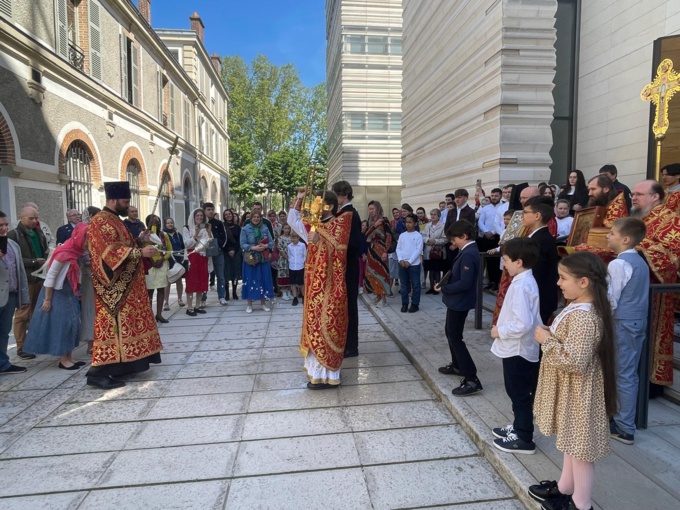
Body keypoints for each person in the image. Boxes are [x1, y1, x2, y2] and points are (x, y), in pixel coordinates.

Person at [529, 252, 616, 510]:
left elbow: (574, 361)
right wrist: (551, 335)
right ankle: (566, 488)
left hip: (578, 391)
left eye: (563, 278)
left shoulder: (583, 317)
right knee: (571, 441)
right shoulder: (578, 307)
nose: (558, 282)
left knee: (580, 450)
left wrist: (547, 341)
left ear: (584, 282)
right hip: (571, 389)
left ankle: (581, 504)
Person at [85, 181, 162, 390]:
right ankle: (97, 373)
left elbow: (122, 247)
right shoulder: (100, 222)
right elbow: (107, 254)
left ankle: (124, 366)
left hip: (127, 287)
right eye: (125, 202)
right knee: (111, 330)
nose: (128, 206)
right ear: (113, 200)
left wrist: (138, 240)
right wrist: (140, 252)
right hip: (112, 289)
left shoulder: (116, 220)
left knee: (125, 328)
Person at [288, 189, 352, 389]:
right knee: (314, 328)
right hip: (314, 289)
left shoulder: (341, 223)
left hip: (331, 288)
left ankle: (330, 376)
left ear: (329, 206)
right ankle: (317, 374)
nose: (312, 206)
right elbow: (293, 220)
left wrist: (321, 238)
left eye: (316, 203)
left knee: (328, 328)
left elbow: (340, 251)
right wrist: (298, 198)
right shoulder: (313, 226)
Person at [490, 237, 542, 455]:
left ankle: (523, 436)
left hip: (517, 348)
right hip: (519, 347)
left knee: (518, 391)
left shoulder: (521, 285)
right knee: (517, 391)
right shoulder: (524, 280)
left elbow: (523, 323)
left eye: (506, 260)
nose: (504, 265)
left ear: (518, 262)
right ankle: (519, 424)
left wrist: (499, 331)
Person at [629, 180, 680, 389]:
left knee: (653, 336)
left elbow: (673, 255)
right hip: (634, 291)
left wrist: (639, 248)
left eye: (639, 194)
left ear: (655, 197)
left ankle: (652, 384)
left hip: (656, 293)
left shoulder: (671, 220)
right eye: (632, 193)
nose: (633, 197)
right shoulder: (639, 219)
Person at [605, 217, 648, 445]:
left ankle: (624, 427)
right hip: (636, 320)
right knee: (627, 372)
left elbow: (612, 298)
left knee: (624, 374)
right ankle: (621, 419)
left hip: (623, 322)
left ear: (626, 239)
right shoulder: (639, 260)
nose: (608, 236)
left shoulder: (618, 264)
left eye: (612, 233)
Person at [23, 222, 89, 369]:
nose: (88, 243)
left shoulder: (76, 251)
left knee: (72, 325)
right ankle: (63, 360)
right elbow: (51, 277)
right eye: (86, 239)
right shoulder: (64, 253)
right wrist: (47, 299)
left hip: (69, 292)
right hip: (57, 293)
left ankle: (69, 357)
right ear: (79, 238)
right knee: (63, 326)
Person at [435, 220, 483, 396]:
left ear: (464, 236)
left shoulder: (469, 254)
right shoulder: (466, 251)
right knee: (450, 332)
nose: (452, 243)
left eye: (454, 239)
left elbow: (465, 282)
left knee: (455, 337)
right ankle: (457, 365)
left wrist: (445, 288)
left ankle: (471, 378)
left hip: (460, 301)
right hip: (455, 301)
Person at [8, 205, 48, 359]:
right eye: (31, 218)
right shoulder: (13, 235)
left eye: (36, 218)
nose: (34, 221)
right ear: (21, 217)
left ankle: (34, 342)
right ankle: (21, 347)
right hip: (25, 279)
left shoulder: (39, 233)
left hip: (39, 278)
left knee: (36, 312)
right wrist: (33, 261)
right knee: (22, 314)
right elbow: (12, 259)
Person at [332, 180, 362, 358]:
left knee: (350, 305)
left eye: (336, 196)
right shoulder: (344, 212)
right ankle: (346, 342)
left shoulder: (350, 214)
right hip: (344, 265)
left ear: (343, 195)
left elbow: (354, 243)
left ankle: (351, 346)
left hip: (348, 265)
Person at [522, 197, 559, 324]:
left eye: (526, 212)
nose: (522, 215)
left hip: (539, 299)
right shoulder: (536, 237)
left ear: (537, 215)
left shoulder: (540, 240)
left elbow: (536, 273)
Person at [0, 210, 29, 374]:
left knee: (4, 332)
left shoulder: (12, 245)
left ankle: (3, 364)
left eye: (5, 225)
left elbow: (20, 272)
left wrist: (23, 296)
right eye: (0, 225)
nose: (4, 229)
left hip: (10, 295)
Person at [240, 210, 274, 313]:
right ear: (251, 218)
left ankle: (263, 303)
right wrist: (253, 247)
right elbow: (242, 244)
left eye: (258, 217)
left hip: (263, 258)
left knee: (263, 280)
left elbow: (272, 242)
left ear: (260, 218)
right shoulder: (245, 229)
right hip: (251, 258)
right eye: (254, 217)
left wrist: (266, 246)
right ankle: (249, 305)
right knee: (250, 280)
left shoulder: (265, 228)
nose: (256, 219)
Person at [80, 206, 101, 355]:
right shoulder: (84, 232)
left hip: (102, 275)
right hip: (89, 275)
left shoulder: (99, 231)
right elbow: (82, 253)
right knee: (89, 308)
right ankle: (90, 343)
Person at [363, 200, 392, 307]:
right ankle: (377, 295)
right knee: (372, 273)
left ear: (378, 208)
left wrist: (386, 251)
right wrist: (374, 226)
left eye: (373, 209)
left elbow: (388, 236)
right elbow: (365, 234)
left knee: (382, 273)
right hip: (371, 250)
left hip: (381, 250)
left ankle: (384, 298)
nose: (371, 211)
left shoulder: (384, 220)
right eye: (369, 209)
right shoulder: (371, 222)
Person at [182, 208, 211, 316]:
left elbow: (207, 244)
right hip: (191, 257)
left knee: (201, 281)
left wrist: (208, 233)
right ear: (193, 217)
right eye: (197, 216)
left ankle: (197, 306)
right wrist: (195, 236)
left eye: (201, 216)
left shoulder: (205, 229)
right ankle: (189, 307)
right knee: (191, 282)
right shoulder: (187, 228)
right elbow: (187, 244)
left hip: (202, 257)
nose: (199, 217)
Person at [144, 214, 172, 323]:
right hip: (150, 265)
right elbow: (143, 249)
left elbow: (169, 250)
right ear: (148, 224)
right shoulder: (145, 235)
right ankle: (149, 316)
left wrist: (162, 259)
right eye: (153, 222)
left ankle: (159, 314)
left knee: (161, 289)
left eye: (158, 222)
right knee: (149, 291)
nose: (156, 224)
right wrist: (151, 261)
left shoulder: (163, 235)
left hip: (162, 264)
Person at [397, 213, 423, 313]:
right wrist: (400, 260)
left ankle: (415, 304)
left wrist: (410, 261)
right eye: (406, 222)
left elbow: (418, 250)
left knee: (416, 285)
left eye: (410, 222)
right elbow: (398, 248)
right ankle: (404, 303)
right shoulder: (402, 235)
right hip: (402, 263)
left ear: (415, 223)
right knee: (403, 285)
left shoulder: (418, 236)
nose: (408, 224)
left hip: (414, 264)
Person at [477, 187, 503, 292]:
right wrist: (486, 232)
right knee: (487, 260)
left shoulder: (502, 208)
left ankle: (497, 282)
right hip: (485, 237)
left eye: (496, 196)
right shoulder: (485, 208)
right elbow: (480, 222)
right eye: (492, 195)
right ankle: (490, 281)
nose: (494, 197)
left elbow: (501, 224)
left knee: (496, 261)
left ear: (500, 196)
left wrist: (492, 232)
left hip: (496, 236)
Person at [203, 203, 229, 306]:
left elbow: (224, 237)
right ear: (204, 210)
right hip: (205, 253)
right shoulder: (201, 223)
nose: (210, 211)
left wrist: (220, 247)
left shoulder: (218, 223)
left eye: (212, 209)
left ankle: (222, 296)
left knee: (220, 276)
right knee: (205, 275)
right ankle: (203, 298)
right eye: (208, 209)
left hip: (218, 252)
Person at [162, 217, 186, 309]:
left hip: (178, 259)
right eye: (168, 223)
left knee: (179, 280)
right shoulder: (163, 235)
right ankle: (166, 302)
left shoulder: (178, 234)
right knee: (167, 281)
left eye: (171, 223)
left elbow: (183, 246)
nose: (170, 224)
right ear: (165, 224)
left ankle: (180, 299)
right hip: (168, 260)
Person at [422, 208, 447, 294]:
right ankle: (431, 287)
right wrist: (428, 240)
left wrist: (436, 241)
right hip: (429, 251)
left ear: (439, 216)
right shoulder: (428, 225)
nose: (432, 216)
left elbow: (445, 239)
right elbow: (423, 236)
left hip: (438, 251)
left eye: (434, 214)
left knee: (437, 270)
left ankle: (437, 287)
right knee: (430, 270)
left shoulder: (443, 226)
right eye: (431, 214)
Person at [222, 209, 242, 300]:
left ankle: (234, 292)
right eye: (226, 214)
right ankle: (227, 293)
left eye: (229, 214)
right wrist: (228, 250)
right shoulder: (222, 227)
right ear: (224, 216)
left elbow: (239, 240)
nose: (228, 215)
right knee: (226, 273)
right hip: (225, 252)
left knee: (235, 273)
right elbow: (221, 240)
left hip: (236, 252)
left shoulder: (237, 227)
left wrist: (234, 250)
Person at [287, 232, 306, 306]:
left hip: (300, 266)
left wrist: (302, 262)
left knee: (301, 283)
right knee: (293, 283)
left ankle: (303, 296)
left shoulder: (302, 245)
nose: (293, 239)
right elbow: (289, 255)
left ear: (298, 238)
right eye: (292, 238)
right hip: (292, 266)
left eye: (295, 238)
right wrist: (291, 261)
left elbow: (305, 255)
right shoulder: (289, 246)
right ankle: (295, 297)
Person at [277, 223, 293, 300]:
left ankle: (289, 291)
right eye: (285, 228)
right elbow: (280, 249)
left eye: (288, 228)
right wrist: (286, 257)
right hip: (283, 260)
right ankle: (284, 292)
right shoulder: (280, 238)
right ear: (283, 229)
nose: (287, 230)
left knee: (290, 275)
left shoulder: (291, 238)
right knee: (283, 274)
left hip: (292, 259)